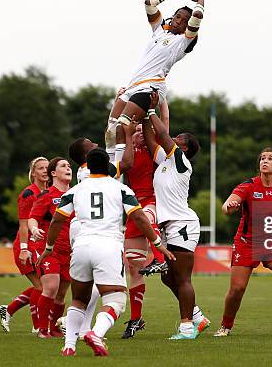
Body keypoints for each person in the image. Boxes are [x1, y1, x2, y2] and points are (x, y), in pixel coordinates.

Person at [36, 148, 175, 357]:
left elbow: (57, 219)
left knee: (78, 300)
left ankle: (69, 346)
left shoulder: (75, 190)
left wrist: (48, 248)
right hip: (108, 247)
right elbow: (138, 217)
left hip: (81, 247)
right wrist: (157, 243)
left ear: (88, 167)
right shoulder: (120, 189)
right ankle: (96, 333)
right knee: (116, 301)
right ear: (108, 167)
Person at [105, 0, 209, 160]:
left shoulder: (183, 42)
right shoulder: (160, 29)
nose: (179, 21)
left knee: (123, 125)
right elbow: (149, 3)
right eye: (177, 16)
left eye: (184, 21)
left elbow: (198, 17)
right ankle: (108, 172)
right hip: (133, 85)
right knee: (111, 131)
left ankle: (115, 176)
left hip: (151, 87)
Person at [213, 148, 272, 338]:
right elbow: (226, 206)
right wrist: (230, 206)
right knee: (237, 289)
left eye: (270, 158)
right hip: (246, 243)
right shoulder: (248, 186)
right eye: (262, 158)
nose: (265, 161)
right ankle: (226, 326)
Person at [142, 91, 209, 339]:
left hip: (182, 224)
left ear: (184, 148)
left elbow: (160, 134)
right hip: (171, 226)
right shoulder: (166, 161)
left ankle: (186, 327)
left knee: (182, 278)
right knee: (168, 278)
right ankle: (199, 318)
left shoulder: (181, 161)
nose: (172, 138)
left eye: (177, 139)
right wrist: (141, 116)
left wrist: (151, 111)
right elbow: (151, 139)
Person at [121, 123, 167, 339]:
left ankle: (159, 258)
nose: (140, 133)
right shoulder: (127, 152)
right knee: (134, 267)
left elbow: (163, 121)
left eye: (143, 130)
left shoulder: (156, 148)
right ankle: (135, 319)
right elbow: (116, 129)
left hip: (154, 201)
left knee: (147, 218)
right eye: (136, 130)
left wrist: (157, 104)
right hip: (133, 208)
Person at [0, 156, 48, 334]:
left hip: (41, 245)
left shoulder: (50, 192)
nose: (44, 171)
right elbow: (24, 225)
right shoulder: (28, 193)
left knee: (44, 286)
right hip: (26, 245)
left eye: (46, 168)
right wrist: (25, 249)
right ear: (33, 172)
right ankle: (36, 326)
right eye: (40, 168)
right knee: (41, 287)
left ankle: (9, 309)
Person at [27, 157, 73, 338]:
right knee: (51, 287)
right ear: (53, 173)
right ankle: (42, 329)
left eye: (69, 165)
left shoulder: (77, 194)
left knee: (61, 294)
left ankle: (54, 328)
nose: (68, 168)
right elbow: (32, 217)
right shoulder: (46, 195)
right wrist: (34, 228)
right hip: (49, 248)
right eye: (63, 166)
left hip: (70, 250)